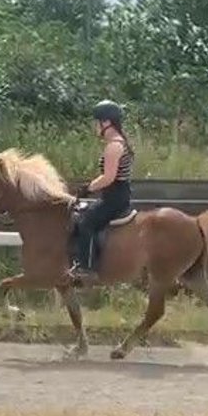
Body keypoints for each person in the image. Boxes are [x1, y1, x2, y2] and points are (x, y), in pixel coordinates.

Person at [69, 99, 134, 283]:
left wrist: (87, 189)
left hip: (114, 198)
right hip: (117, 195)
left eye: (96, 122)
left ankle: (88, 268)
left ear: (106, 123)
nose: (95, 126)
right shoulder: (120, 143)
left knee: (86, 223)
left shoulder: (114, 146)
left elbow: (108, 178)